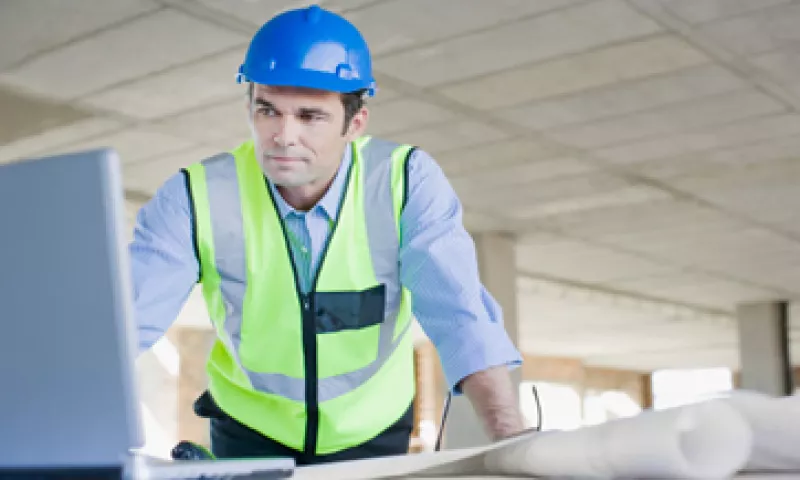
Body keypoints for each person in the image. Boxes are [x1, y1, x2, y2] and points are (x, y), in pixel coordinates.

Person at [131, 3, 525, 465]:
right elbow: (123, 321)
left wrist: (511, 440)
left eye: (310, 116)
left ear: (354, 124)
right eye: (267, 110)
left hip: (371, 434)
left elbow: (460, 314)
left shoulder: (403, 182)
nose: (282, 135)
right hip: (248, 431)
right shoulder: (196, 195)